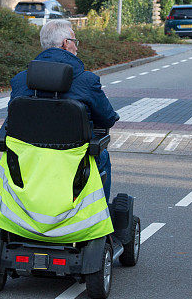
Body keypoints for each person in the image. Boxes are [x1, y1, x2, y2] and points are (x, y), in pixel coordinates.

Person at [10, 19, 119, 200]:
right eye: (75, 42)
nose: (77, 47)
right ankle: (101, 214)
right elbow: (107, 119)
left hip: (28, 163)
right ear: (66, 44)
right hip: (75, 165)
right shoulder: (86, 81)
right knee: (103, 155)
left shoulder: (21, 80)